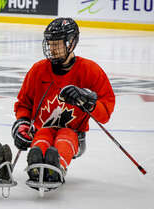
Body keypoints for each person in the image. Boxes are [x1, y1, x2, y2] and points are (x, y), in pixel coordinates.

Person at [11, 18, 115, 185]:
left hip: (74, 134)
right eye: (50, 44)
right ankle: (36, 166)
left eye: (57, 44)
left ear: (71, 43)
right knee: (43, 135)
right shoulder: (38, 70)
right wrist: (22, 124)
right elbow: (24, 104)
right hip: (42, 129)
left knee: (65, 135)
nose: (52, 49)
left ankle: (56, 167)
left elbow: (105, 113)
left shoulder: (90, 71)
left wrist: (89, 101)